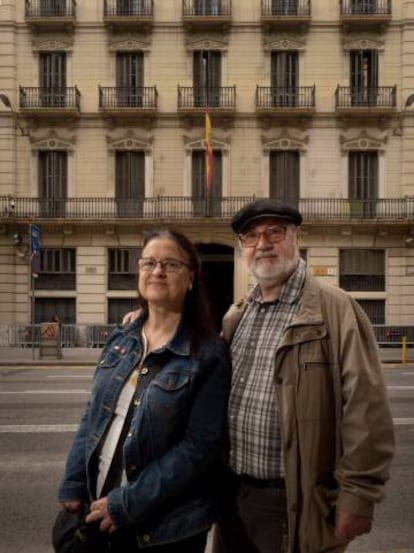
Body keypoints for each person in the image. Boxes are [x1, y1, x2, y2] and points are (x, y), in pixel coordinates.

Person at [211, 198, 395, 553]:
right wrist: (147, 319)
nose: (262, 244)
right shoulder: (238, 315)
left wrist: (357, 497)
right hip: (232, 496)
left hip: (292, 502)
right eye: (250, 237)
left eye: (274, 232)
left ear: (296, 237)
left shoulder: (336, 309)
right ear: (242, 249)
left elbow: (367, 411)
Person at [56, 228, 230, 553]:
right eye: (148, 262)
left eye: (170, 264)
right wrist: (74, 480)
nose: (157, 271)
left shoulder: (208, 354)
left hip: (163, 527)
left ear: (191, 277)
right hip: (96, 510)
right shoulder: (122, 338)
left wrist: (127, 503)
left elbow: (199, 448)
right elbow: (93, 415)